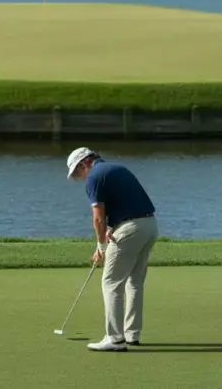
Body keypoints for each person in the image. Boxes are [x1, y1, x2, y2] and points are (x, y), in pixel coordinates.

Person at [66, 146, 159, 352]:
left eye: (77, 172)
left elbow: (98, 217)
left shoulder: (93, 177)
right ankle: (131, 334)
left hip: (130, 228)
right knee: (134, 281)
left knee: (111, 282)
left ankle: (115, 339)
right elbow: (124, 203)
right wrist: (111, 228)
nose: (80, 177)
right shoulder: (116, 169)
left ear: (84, 163)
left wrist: (101, 246)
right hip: (149, 225)